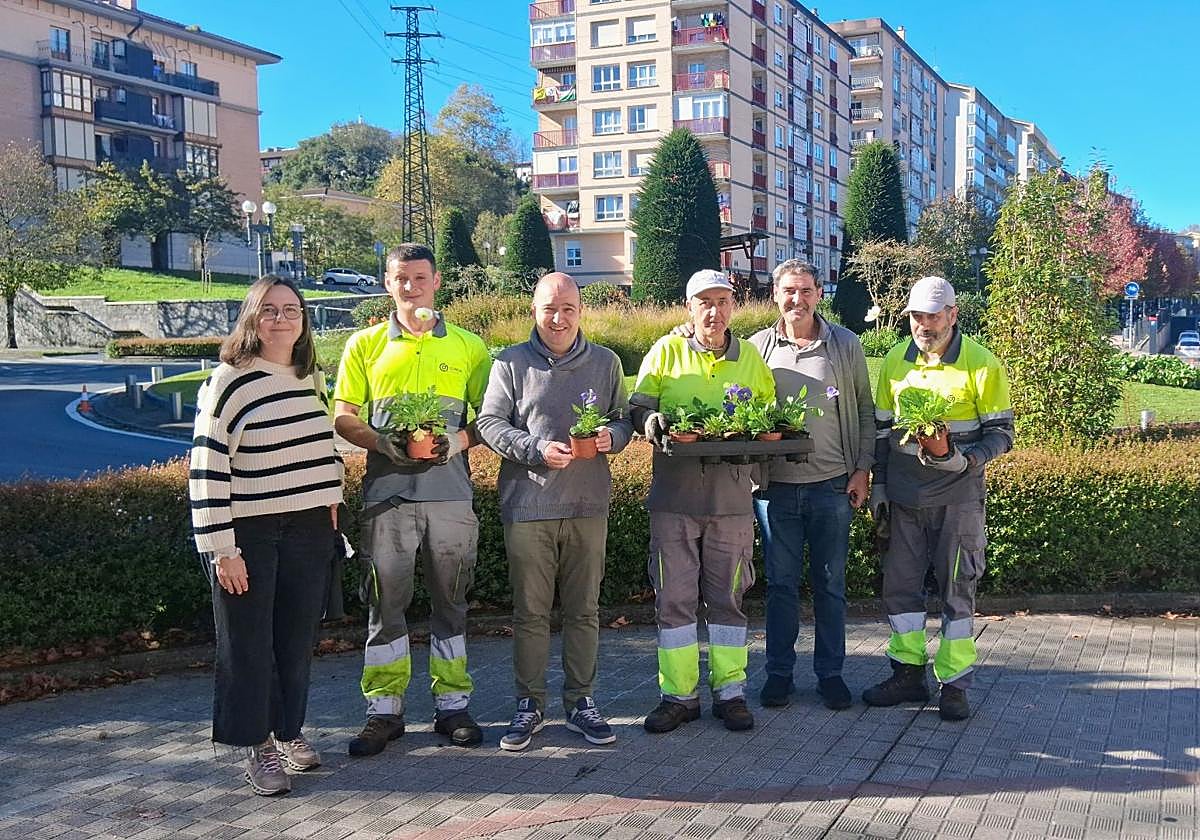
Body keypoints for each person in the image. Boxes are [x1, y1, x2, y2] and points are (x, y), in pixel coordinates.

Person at [332, 243, 492, 756]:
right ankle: (384, 711)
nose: (410, 286)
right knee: (386, 604)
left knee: (452, 603)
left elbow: (490, 417)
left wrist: (460, 442)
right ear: (387, 283)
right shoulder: (364, 345)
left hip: (451, 497)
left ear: (436, 281)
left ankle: (453, 705)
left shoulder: (469, 346)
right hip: (386, 498)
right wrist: (380, 442)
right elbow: (343, 415)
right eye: (401, 278)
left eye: (419, 277)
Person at [189, 275, 343, 796]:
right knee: (248, 644)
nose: (282, 319)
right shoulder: (228, 380)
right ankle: (257, 746)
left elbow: (320, 448)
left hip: (308, 529)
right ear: (252, 317)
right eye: (270, 310)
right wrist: (221, 549)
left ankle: (289, 731)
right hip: (248, 532)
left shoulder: (308, 375)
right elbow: (208, 467)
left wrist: (331, 506)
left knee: (296, 641)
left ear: (304, 319)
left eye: (292, 309)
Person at [476, 272, 634, 751]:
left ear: (581, 310)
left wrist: (614, 438)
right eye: (550, 308)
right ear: (534, 310)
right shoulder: (509, 362)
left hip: (588, 504)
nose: (559, 317)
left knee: (585, 610)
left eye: (568, 308)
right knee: (531, 613)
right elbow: (488, 423)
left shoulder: (606, 362)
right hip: (529, 506)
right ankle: (530, 705)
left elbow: (623, 419)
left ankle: (581, 702)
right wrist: (534, 448)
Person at [629, 269, 775, 734]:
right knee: (673, 601)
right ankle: (679, 696)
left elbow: (768, 419)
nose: (714, 311)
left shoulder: (751, 357)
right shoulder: (665, 351)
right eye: (704, 303)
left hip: (731, 502)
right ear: (688, 308)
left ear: (733, 306)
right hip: (673, 501)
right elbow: (636, 409)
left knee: (729, 601)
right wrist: (650, 420)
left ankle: (730, 693)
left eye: (722, 302)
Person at [865, 276, 1013, 721]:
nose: (924, 324)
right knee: (900, 588)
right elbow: (881, 432)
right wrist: (880, 486)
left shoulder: (981, 364)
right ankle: (908, 674)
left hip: (958, 500)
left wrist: (964, 461)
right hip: (905, 499)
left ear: (952, 314)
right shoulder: (894, 361)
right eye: (916, 315)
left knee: (957, 589)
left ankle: (954, 684)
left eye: (933, 315)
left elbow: (1002, 435)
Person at [748, 260, 875, 711]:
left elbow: (863, 410)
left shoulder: (844, 344)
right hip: (775, 490)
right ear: (775, 295)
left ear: (819, 293)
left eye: (804, 290)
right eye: (788, 291)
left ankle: (830, 674)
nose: (796, 300)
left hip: (832, 486)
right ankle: (779, 674)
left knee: (830, 584)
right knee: (780, 587)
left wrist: (861, 469)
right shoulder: (756, 348)